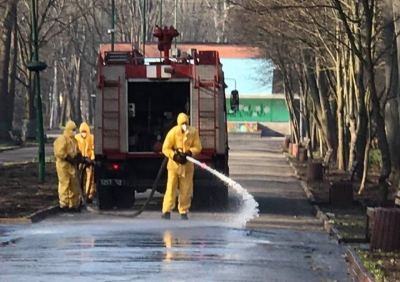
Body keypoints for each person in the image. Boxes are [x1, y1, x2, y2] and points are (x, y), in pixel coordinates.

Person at [161, 112, 202, 220]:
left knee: (186, 190)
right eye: (182, 123)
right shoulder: (173, 132)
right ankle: (166, 211)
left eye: (185, 123)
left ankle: (183, 211)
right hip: (174, 166)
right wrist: (174, 156)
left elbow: (198, 147)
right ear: (178, 124)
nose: (184, 125)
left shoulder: (193, 132)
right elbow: (165, 148)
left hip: (187, 167)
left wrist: (189, 152)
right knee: (171, 189)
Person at [53, 120, 81, 212]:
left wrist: (79, 157)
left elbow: (77, 151)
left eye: (75, 129)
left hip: (72, 166)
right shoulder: (62, 139)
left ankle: (73, 205)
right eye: (73, 130)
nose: (74, 131)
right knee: (64, 184)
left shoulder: (74, 140)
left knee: (74, 185)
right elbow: (59, 152)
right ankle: (64, 205)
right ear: (68, 129)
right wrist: (69, 159)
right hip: (63, 166)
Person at [75, 122, 95, 204]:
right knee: (78, 178)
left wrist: (92, 158)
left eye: (85, 131)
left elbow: (93, 149)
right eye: (82, 131)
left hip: (89, 160)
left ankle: (89, 196)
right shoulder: (77, 138)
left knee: (91, 179)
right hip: (80, 160)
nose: (84, 133)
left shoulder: (91, 138)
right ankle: (79, 195)